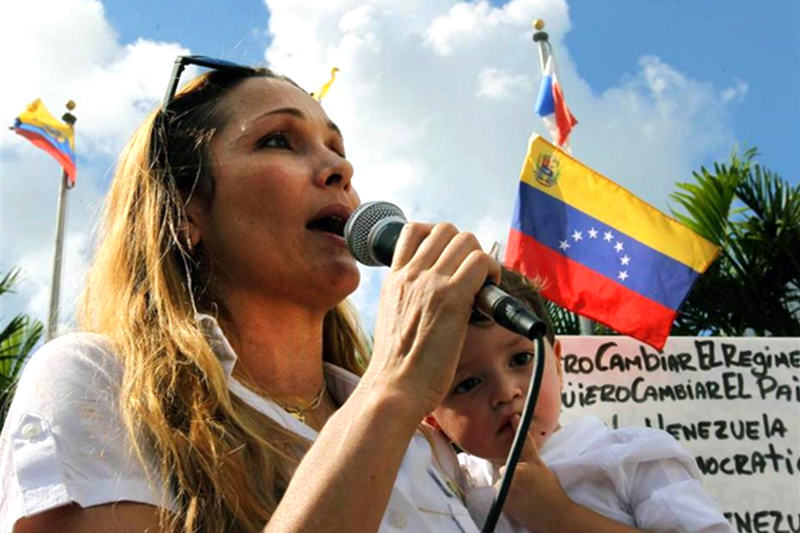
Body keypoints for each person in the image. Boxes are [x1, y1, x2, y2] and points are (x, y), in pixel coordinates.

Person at [0, 57, 505, 533]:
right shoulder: (101, 381)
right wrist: (391, 389)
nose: (340, 171)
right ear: (185, 212)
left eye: (339, 150)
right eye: (279, 141)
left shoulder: (426, 446)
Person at [424, 267, 735, 533]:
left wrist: (558, 516)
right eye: (468, 384)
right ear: (432, 417)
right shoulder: (445, 485)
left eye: (521, 359)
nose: (506, 392)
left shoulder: (629, 456)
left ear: (558, 365)